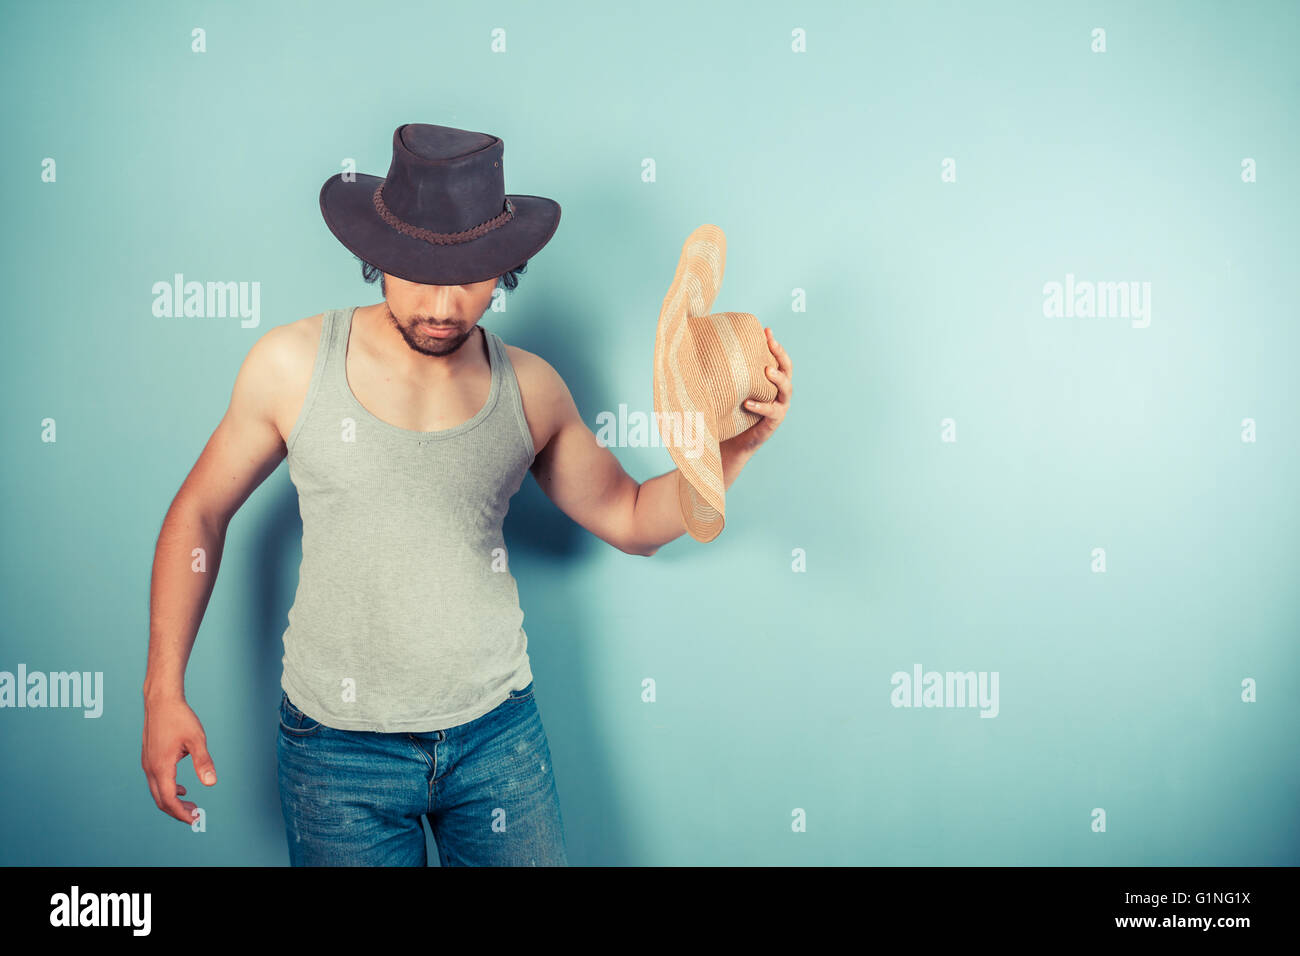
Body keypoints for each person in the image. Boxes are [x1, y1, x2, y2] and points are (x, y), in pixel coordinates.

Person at [141, 124, 792, 865]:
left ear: (503, 267)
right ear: (378, 254)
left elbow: (632, 516)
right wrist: (162, 692)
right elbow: (199, 511)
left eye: (470, 275)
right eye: (419, 270)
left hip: (496, 742)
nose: (444, 304)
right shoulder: (291, 366)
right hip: (337, 754)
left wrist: (733, 451)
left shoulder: (533, 389)